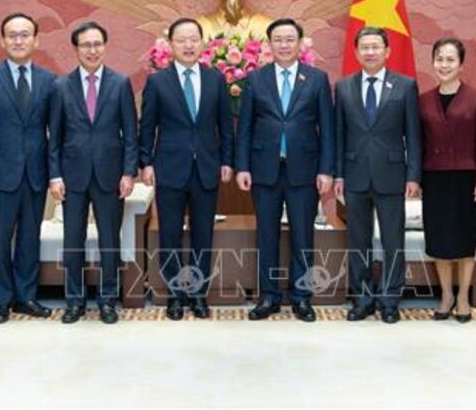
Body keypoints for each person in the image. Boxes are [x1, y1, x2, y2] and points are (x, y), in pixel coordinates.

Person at [235, 18, 335, 323]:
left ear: (300, 43)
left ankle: (302, 297)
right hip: (264, 170)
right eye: (278, 39)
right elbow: (245, 127)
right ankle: (268, 296)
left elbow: (327, 129)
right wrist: (242, 166)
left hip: (305, 171)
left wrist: (326, 170)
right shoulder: (256, 79)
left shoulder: (316, 79)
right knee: (267, 235)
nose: (284, 45)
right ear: (269, 44)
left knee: (303, 235)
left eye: (290, 39)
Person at [139, 17, 234, 320]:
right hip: (169, 167)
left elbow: (225, 126)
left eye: (194, 39)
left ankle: (198, 294)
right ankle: (174, 295)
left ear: (202, 43)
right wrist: (145, 163)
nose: (188, 45)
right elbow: (147, 126)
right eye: (182, 40)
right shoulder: (158, 82)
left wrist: (227, 161)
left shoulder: (215, 79)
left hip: (207, 167)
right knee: (170, 234)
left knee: (203, 234)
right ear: (171, 44)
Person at [48, 21, 138, 325]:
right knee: (72, 241)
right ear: (76, 49)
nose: (92, 50)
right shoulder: (61, 86)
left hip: (110, 175)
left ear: (105, 46)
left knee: (109, 241)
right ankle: (74, 301)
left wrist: (129, 173)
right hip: (72, 177)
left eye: (97, 44)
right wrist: (55, 176)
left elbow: (131, 133)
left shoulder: (120, 83)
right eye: (86, 45)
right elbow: (54, 137)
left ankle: (108, 300)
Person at [0, 13, 54, 324]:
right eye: (12, 35)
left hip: (35, 174)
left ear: (36, 40)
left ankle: (26, 297)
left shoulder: (48, 80)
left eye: (24, 35)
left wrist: (54, 173)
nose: (19, 40)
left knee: (30, 238)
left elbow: (54, 132)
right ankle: (1, 300)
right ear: (3, 40)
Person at [334, 26, 421, 324]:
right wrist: (338, 175)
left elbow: (414, 135)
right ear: (356, 52)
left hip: (392, 175)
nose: (370, 52)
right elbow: (339, 135)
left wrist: (413, 175)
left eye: (375, 47)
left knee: (393, 241)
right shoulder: (343, 87)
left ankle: (389, 300)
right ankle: (362, 299)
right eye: (365, 47)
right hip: (354, 174)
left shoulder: (405, 86)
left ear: (387, 51)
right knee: (358, 241)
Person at [417, 38, 476, 323]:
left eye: (450, 59)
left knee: (464, 239)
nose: (444, 65)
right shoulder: (423, 99)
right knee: (438, 239)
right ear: (433, 62)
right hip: (434, 178)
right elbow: (418, 143)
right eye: (439, 59)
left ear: (461, 65)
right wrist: (415, 179)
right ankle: (446, 295)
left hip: (466, 179)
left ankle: (463, 297)